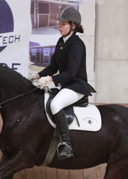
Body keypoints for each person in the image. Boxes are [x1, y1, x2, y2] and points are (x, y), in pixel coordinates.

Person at [28, 6, 94, 160]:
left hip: (77, 86)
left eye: (63, 24)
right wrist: (36, 76)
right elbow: (53, 67)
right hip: (65, 86)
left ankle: (67, 143)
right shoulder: (61, 41)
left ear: (73, 26)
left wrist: (51, 79)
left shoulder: (77, 44)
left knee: (55, 104)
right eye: (60, 24)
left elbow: (71, 72)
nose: (60, 27)